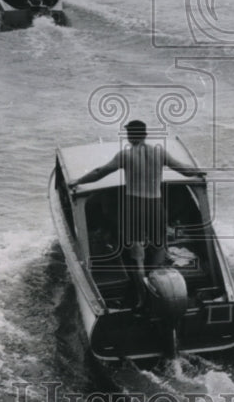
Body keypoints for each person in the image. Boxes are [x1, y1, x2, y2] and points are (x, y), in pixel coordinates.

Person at [70, 121, 203, 311]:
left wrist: (78, 181)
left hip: (134, 207)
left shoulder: (126, 155)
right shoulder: (159, 153)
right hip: (156, 206)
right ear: (145, 134)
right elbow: (183, 169)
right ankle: (158, 287)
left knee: (137, 253)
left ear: (130, 136)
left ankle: (142, 297)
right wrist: (200, 172)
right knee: (158, 248)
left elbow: (100, 172)